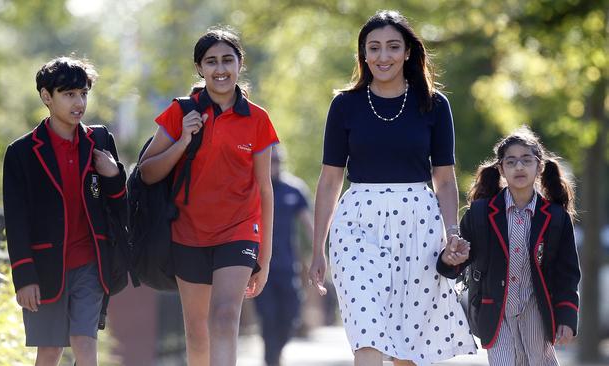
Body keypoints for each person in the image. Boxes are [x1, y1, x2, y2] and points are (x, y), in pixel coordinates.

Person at [308, 10, 477, 366]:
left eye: (392, 47)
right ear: (363, 54)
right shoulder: (344, 105)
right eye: (374, 48)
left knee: (407, 346)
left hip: (418, 222)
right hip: (356, 223)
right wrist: (317, 249)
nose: (383, 56)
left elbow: (444, 179)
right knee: (366, 330)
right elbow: (329, 181)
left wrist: (451, 233)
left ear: (407, 53)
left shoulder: (433, 104)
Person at [138, 27, 278, 366]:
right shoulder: (180, 111)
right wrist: (183, 140)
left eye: (227, 60)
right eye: (211, 61)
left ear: (239, 64)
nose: (220, 69)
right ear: (200, 68)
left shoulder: (257, 119)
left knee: (226, 315)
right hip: (188, 232)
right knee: (197, 332)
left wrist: (266, 256)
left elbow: (264, 188)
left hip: (239, 231)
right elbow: (146, 172)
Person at [3, 57, 127, 366]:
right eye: (69, 94)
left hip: (91, 264)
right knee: (49, 352)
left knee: (85, 347)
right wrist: (24, 276)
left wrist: (114, 176)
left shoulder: (99, 140)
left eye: (83, 93)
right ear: (47, 97)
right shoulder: (21, 153)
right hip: (46, 269)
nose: (79, 102)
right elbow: (16, 220)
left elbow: (119, 207)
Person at [437, 126, 581, 365]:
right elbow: (455, 264)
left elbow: (567, 273)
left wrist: (566, 316)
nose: (519, 167)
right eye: (511, 162)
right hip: (496, 314)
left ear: (539, 167)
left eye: (526, 160)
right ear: (501, 169)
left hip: (537, 314)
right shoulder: (481, 214)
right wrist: (450, 258)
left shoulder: (556, 218)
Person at [253, 145, 313, 366]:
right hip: (259, 271)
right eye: (271, 160)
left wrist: (318, 253)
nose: (274, 164)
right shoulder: (254, 188)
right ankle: (272, 360)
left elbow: (310, 227)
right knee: (268, 319)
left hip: (288, 268)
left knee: (290, 315)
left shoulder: (294, 189)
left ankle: (276, 353)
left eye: (278, 160)